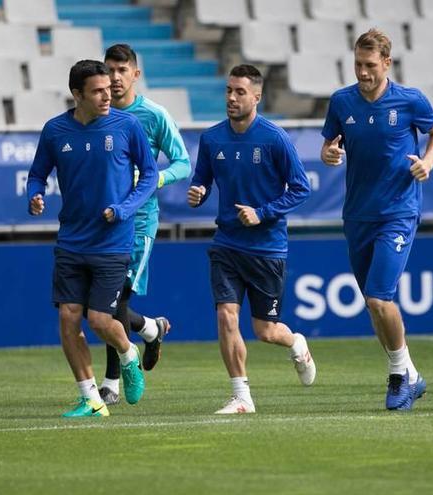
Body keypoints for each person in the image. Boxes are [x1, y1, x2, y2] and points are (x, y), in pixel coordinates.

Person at [320, 29, 433, 411]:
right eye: (358, 64)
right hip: (358, 214)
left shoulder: (410, 100)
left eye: (370, 65)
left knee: (379, 296)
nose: (363, 72)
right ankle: (411, 374)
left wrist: (428, 162)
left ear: (387, 63)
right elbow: (330, 142)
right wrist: (329, 153)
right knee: (373, 304)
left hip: (398, 211)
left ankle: (397, 378)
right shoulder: (342, 101)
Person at [27, 60, 158, 418]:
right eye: (98, 91)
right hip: (71, 241)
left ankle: (128, 354)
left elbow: (149, 175)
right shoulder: (55, 131)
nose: (108, 95)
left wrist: (126, 208)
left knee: (100, 320)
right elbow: (37, 174)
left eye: (108, 89)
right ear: (77, 94)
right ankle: (91, 399)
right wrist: (35, 195)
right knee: (69, 320)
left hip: (113, 241)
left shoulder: (127, 125)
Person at [188, 65, 316, 415]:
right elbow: (202, 180)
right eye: (229, 90)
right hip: (227, 244)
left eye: (239, 92)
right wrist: (198, 192)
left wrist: (263, 212)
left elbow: (301, 188)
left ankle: (296, 342)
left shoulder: (274, 138)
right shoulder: (212, 138)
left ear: (256, 97)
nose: (231, 97)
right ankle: (242, 396)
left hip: (267, 248)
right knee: (227, 316)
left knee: (266, 330)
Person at [97, 43, 192, 405]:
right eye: (110, 71)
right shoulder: (97, 115)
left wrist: (154, 180)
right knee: (106, 306)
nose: (116, 78)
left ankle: (111, 384)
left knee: (113, 302)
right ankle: (152, 329)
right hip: (104, 221)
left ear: (136, 74)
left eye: (123, 71)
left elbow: (182, 162)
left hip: (138, 223)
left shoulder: (153, 115)